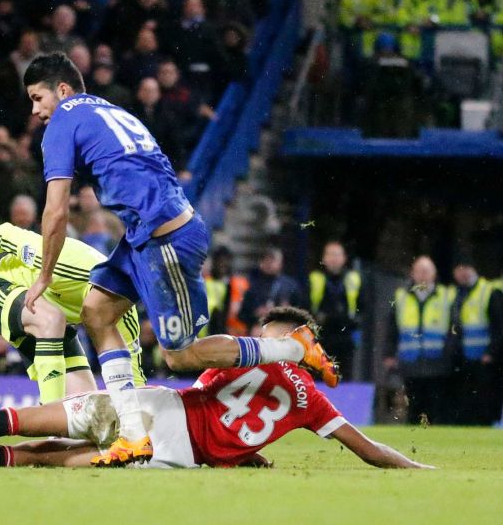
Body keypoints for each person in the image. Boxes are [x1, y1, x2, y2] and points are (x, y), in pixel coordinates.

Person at [22, 51, 339, 465]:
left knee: (180, 355)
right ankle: (133, 435)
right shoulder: (108, 111)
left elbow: (56, 210)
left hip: (165, 242)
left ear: (62, 91)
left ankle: (292, 349)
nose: (35, 110)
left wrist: (44, 275)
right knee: (96, 312)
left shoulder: (63, 121)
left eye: (37, 98)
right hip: (149, 235)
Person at [0, 307, 430, 470]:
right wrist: (419, 470)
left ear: (282, 338)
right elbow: (369, 450)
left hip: (153, 412)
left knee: (32, 421)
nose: (259, 337)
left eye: (270, 334)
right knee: (44, 459)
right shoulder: (311, 400)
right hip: (175, 459)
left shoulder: (242, 357)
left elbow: (186, 359)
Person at [0, 222, 136, 403]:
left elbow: (135, 379)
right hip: (2, 287)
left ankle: (57, 435)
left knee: (91, 411)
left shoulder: (125, 310)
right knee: (52, 319)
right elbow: (3, 235)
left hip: (51, 322)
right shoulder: (69, 264)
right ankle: (52, 425)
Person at [385, 256, 454, 424]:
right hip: (410, 360)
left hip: (437, 360)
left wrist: (449, 354)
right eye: (419, 271)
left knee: (436, 405)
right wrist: (389, 354)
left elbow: (454, 328)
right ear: (412, 273)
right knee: (413, 405)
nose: (423, 275)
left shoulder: (446, 296)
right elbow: (392, 329)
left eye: (426, 271)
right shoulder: (401, 296)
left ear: (434, 274)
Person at [448, 258, 503, 425]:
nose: (462, 272)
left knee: (485, 399)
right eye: (459, 268)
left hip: (484, 358)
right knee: (467, 400)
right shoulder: (455, 293)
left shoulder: (489, 291)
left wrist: (491, 352)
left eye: (466, 268)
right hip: (464, 357)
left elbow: (499, 326)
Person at [308, 241, 362, 379]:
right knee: (320, 376)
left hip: (345, 335)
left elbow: (362, 307)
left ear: (344, 258)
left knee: (344, 376)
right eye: (330, 255)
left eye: (337, 255)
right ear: (324, 258)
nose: (334, 259)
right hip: (322, 335)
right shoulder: (315, 278)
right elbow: (306, 305)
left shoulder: (353, 279)